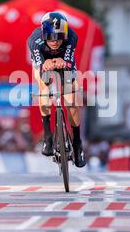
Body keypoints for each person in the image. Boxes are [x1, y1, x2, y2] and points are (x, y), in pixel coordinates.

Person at [27, 12, 86, 168]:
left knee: (70, 99)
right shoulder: (34, 40)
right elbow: (40, 68)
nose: (55, 41)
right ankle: (47, 137)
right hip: (43, 62)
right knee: (44, 88)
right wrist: (45, 66)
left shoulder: (72, 37)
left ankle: (77, 143)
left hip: (64, 62)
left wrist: (64, 62)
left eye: (59, 37)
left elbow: (69, 61)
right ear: (44, 33)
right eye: (51, 36)